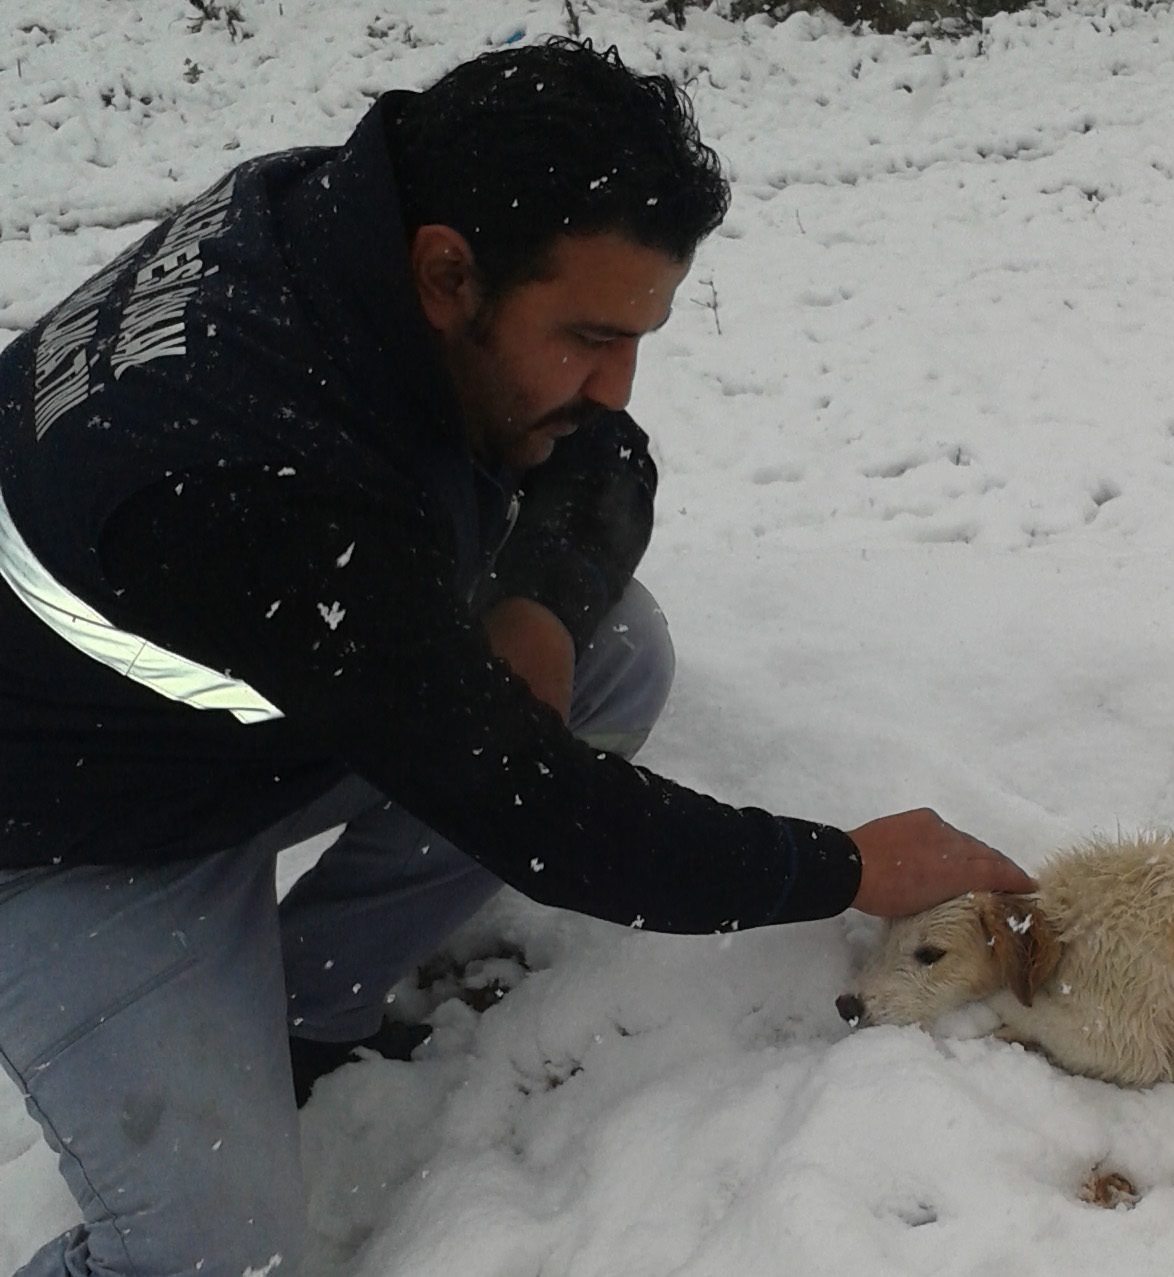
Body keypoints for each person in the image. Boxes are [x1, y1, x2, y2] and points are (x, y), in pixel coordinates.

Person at [0, 38, 1036, 1277]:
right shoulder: (247, 478)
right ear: (449, 274)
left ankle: (297, 1015)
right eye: (590, 335)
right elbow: (548, 819)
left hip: (253, 696)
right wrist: (847, 865)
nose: (618, 386)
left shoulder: (354, 230)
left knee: (610, 654)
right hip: (69, 833)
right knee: (207, 1258)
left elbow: (604, 454)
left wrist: (537, 608)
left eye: (637, 335)